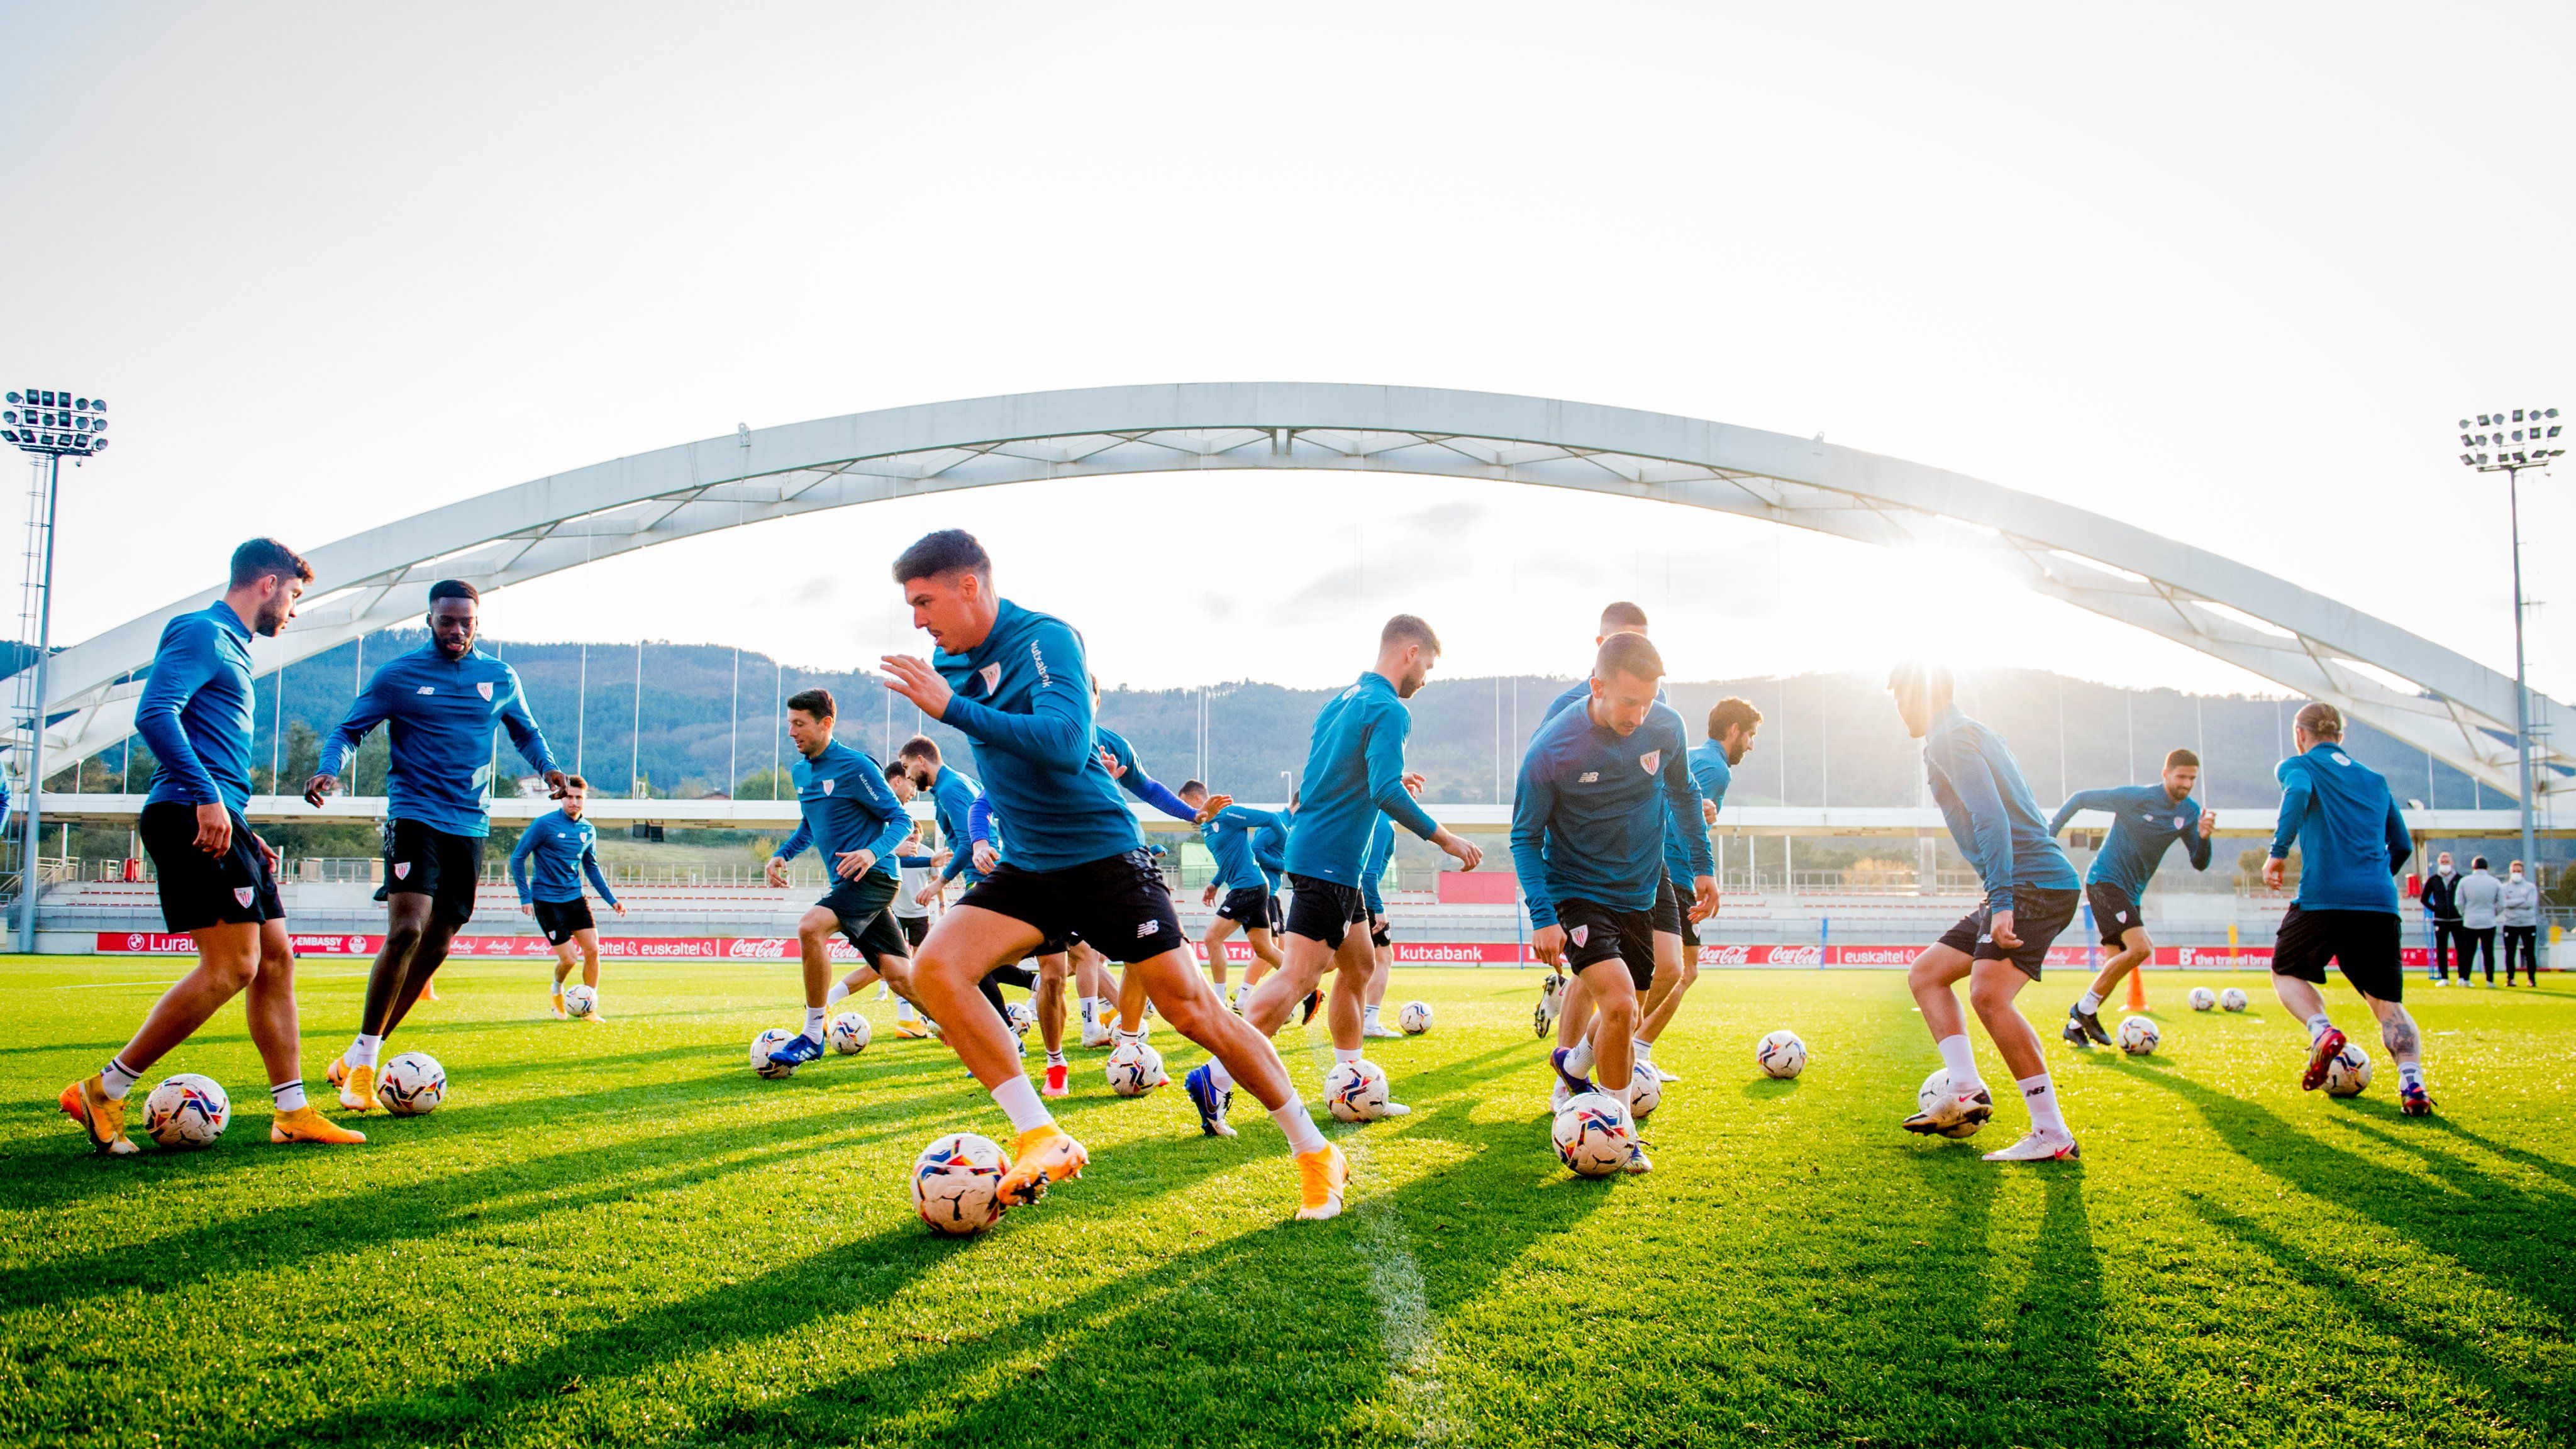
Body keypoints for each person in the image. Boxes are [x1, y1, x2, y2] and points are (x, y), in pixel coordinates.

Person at [879, 530, 1350, 1220]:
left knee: (1193, 1012)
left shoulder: (1046, 640)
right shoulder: (947, 663)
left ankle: (1313, 1150)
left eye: (924, 601)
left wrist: (953, 711)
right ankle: (1042, 1134)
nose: (918, 620)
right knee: (935, 971)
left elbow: (1069, 745)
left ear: (969, 586)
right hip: (1030, 865)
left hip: (1104, 859)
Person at [62, 538, 366, 1152]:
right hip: (187, 812)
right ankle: (104, 1089)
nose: (295, 611)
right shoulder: (201, 632)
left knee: (277, 958)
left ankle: (292, 1113)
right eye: (295, 596)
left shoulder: (233, 647)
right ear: (267, 583)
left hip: (220, 815)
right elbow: (155, 713)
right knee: (233, 966)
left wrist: (242, 826)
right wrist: (205, 796)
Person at [1188, 614, 1485, 1135]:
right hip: (1329, 860)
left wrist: (1389, 776)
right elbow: (1384, 791)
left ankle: (1350, 1074)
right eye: (1428, 667)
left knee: (1359, 964)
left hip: (1327, 856)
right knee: (1299, 976)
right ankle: (1216, 1076)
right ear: (1410, 652)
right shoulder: (1390, 709)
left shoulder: (1343, 701)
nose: (1426, 680)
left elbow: (1336, 774)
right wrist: (1445, 837)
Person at [309, 579, 567, 1113]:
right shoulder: (399, 675)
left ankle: (359, 1053)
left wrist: (549, 769)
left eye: (465, 622)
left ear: (478, 622)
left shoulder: (499, 677)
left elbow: (526, 733)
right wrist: (327, 770)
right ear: (429, 620)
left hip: (470, 824)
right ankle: (363, 1065)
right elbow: (348, 730)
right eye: (446, 621)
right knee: (406, 930)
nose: (456, 630)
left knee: (439, 945)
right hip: (414, 816)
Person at [1516, 632, 1715, 1174]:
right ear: (1597, 685)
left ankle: (1576, 1060)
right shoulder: (1553, 748)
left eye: (1648, 701)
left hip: (1642, 890)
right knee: (1622, 1004)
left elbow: (1684, 792)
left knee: (1630, 1012)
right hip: (1578, 892)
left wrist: (1703, 865)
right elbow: (1524, 838)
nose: (1639, 714)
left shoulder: (1665, 726)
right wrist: (1543, 917)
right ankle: (1619, 1134)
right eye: (1628, 701)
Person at [1889, 661, 2085, 1162]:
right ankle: (1966, 1086)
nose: (1896, 707)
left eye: (1897, 696)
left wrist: (2002, 899)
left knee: (1989, 996)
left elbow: (1991, 817)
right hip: (2026, 881)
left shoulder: (1949, 738)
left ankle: (2051, 1134)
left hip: (2029, 885)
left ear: (1920, 695)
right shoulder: (1973, 732)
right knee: (1928, 974)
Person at [1535, 603, 1696, 1095]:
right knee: (1601, 984)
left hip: (1648, 866)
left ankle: (1585, 1061)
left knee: (1665, 974)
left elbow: (1677, 787)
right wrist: (1548, 901)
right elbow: (1544, 794)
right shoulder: (1566, 710)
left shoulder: (1659, 713)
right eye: (1622, 641)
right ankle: (1574, 1093)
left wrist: (1696, 856)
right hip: (1584, 873)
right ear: (1601, 652)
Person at [2262, 701, 2433, 1115]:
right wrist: (2373, 880)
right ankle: (2413, 1085)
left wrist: (2278, 853)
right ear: (2342, 736)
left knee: (2285, 971)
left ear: (2299, 734)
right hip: (2378, 903)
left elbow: (2299, 793)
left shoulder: (2298, 765)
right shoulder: (2376, 780)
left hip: (2323, 898)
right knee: (2387, 1005)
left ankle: (2321, 1031)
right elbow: (2404, 845)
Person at [758, 688, 918, 1071]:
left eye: (800, 724)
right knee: (899, 974)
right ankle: (966, 1029)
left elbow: (902, 820)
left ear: (826, 723)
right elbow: (811, 826)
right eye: (789, 724)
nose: (792, 732)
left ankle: (813, 1034)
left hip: (874, 876)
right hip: (847, 883)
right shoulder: (800, 773)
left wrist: (870, 852)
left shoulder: (856, 766)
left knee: (810, 928)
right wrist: (783, 853)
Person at [2046, 748, 2215, 1046]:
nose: (2187, 784)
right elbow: (2080, 798)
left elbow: (2199, 863)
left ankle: (2075, 1024)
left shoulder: (2189, 812)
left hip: (2130, 892)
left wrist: (2203, 837)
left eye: (2192, 778)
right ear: (2166, 774)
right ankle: (2082, 1010)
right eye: (2181, 777)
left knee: (2117, 963)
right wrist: (2049, 837)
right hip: (2105, 881)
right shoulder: (2136, 797)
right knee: (2141, 949)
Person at [1634, 696, 1761, 1081]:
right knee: (1684, 971)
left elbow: (1680, 806)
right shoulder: (1714, 767)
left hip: (1666, 869)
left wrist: (1707, 816)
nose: (1752, 745)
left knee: (1668, 968)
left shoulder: (1695, 757)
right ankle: (1634, 1049)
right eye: (1751, 735)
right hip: (1675, 874)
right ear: (1734, 731)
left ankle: (1630, 1045)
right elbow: (1676, 809)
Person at [508, 775, 625, 1020]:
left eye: (579, 798)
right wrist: (525, 897)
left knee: (593, 950)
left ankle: (589, 1008)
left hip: (574, 897)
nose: (574, 802)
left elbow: (591, 868)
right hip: (546, 900)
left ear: (585, 799)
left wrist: (612, 900)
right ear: (562, 797)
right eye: (569, 797)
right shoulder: (543, 825)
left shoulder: (588, 830)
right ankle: (556, 990)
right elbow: (517, 858)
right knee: (570, 959)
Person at [1182, 782, 1287, 1009]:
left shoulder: (1229, 814)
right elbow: (1228, 858)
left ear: (1199, 800)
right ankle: (1310, 991)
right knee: (1265, 949)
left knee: (1212, 938)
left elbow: (1272, 820)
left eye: (1185, 804)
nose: (1185, 811)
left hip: (1249, 887)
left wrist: (1291, 852)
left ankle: (1218, 1004)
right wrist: (1215, 883)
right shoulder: (1205, 827)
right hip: (1249, 887)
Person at [1358, 808, 1401, 1037]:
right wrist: (1379, 909)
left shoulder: (1372, 817)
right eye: (1407, 791)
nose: (1413, 797)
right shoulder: (1384, 824)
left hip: (1354, 895)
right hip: (1365, 899)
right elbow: (1369, 874)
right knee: (1384, 957)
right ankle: (1369, 1021)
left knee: (1340, 962)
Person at [2453, 857, 2502, 987]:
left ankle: (2465, 979)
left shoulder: (2465, 881)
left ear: (2473, 867)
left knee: (2468, 952)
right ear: (2487, 867)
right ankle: (2490, 980)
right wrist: (2494, 913)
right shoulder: (2495, 882)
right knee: (2488, 952)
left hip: (2470, 921)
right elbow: (2502, 903)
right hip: (2489, 921)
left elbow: (2458, 903)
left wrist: (2465, 913)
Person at [2419, 851, 2463, 985]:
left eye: (2447, 862)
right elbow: (2424, 899)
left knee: (2461, 949)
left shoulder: (2460, 879)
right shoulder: (2433, 880)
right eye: (2443, 862)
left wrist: (2461, 911)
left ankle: (2462, 977)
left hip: (2457, 920)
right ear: (2439, 863)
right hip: (2440, 920)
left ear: (2452, 863)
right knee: (2442, 949)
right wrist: (2436, 909)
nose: (2445, 864)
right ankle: (2444, 978)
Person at [2500, 860, 2541, 985]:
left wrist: (2512, 902)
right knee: (2510, 952)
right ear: (2510, 872)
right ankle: (2510, 979)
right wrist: (2522, 899)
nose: (2516, 873)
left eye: (2519, 871)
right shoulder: (2504, 888)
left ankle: (2531, 979)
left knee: (2529, 952)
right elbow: (2504, 904)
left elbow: (2530, 904)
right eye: (2514, 871)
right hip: (2510, 923)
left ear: (2524, 873)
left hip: (2528, 923)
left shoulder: (2530, 887)